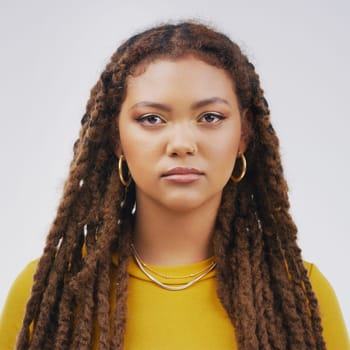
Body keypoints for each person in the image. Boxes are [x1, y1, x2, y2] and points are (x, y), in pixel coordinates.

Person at [0, 21, 348, 350]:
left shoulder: (301, 295)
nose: (182, 143)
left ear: (243, 135)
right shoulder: (50, 294)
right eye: (151, 119)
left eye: (210, 117)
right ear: (116, 138)